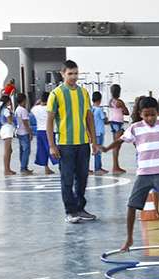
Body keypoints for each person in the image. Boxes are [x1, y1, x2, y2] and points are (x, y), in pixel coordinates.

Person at [106, 96, 159, 251]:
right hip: (144, 173)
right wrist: (106, 148)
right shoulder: (135, 128)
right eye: (146, 115)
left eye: (153, 114)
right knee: (132, 205)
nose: (150, 118)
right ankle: (129, 238)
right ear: (140, 114)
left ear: (157, 112)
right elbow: (120, 140)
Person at [47, 60, 101, 224]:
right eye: (70, 73)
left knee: (83, 178)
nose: (73, 77)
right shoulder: (56, 94)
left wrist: (94, 141)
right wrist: (52, 145)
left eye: (76, 73)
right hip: (65, 144)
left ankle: (80, 208)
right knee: (67, 179)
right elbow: (49, 121)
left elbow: (89, 117)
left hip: (83, 143)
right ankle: (70, 211)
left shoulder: (84, 93)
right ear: (62, 74)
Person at [32, 92, 57, 175]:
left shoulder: (35, 109)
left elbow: (33, 107)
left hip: (39, 131)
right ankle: (60, 165)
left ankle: (46, 168)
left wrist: (38, 102)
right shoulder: (50, 108)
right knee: (52, 148)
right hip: (49, 131)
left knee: (42, 150)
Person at [108, 84, 129, 174]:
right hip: (118, 123)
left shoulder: (110, 101)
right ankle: (115, 167)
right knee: (117, 146)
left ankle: (116, 166)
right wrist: (124, 109)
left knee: (116, 145)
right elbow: (126, 112)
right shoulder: (119, 102)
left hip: (113, 122)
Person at [0, 95, 18, 176]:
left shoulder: (2, 109)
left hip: (5, 129)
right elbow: (10, 120)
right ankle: (6, 169)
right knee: (7, 151)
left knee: (9, 150)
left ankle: (8, 168)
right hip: (7, 129)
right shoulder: (6, 110)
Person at [91, 91, 108, 175]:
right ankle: (98, 168)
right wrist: (105, 115)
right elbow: (105, 120)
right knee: (98, 150)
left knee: (96, 149)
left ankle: (98, 167)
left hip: (94, 132)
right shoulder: (99, 109)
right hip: (100, 132)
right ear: (100, 100)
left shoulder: (91, 109)